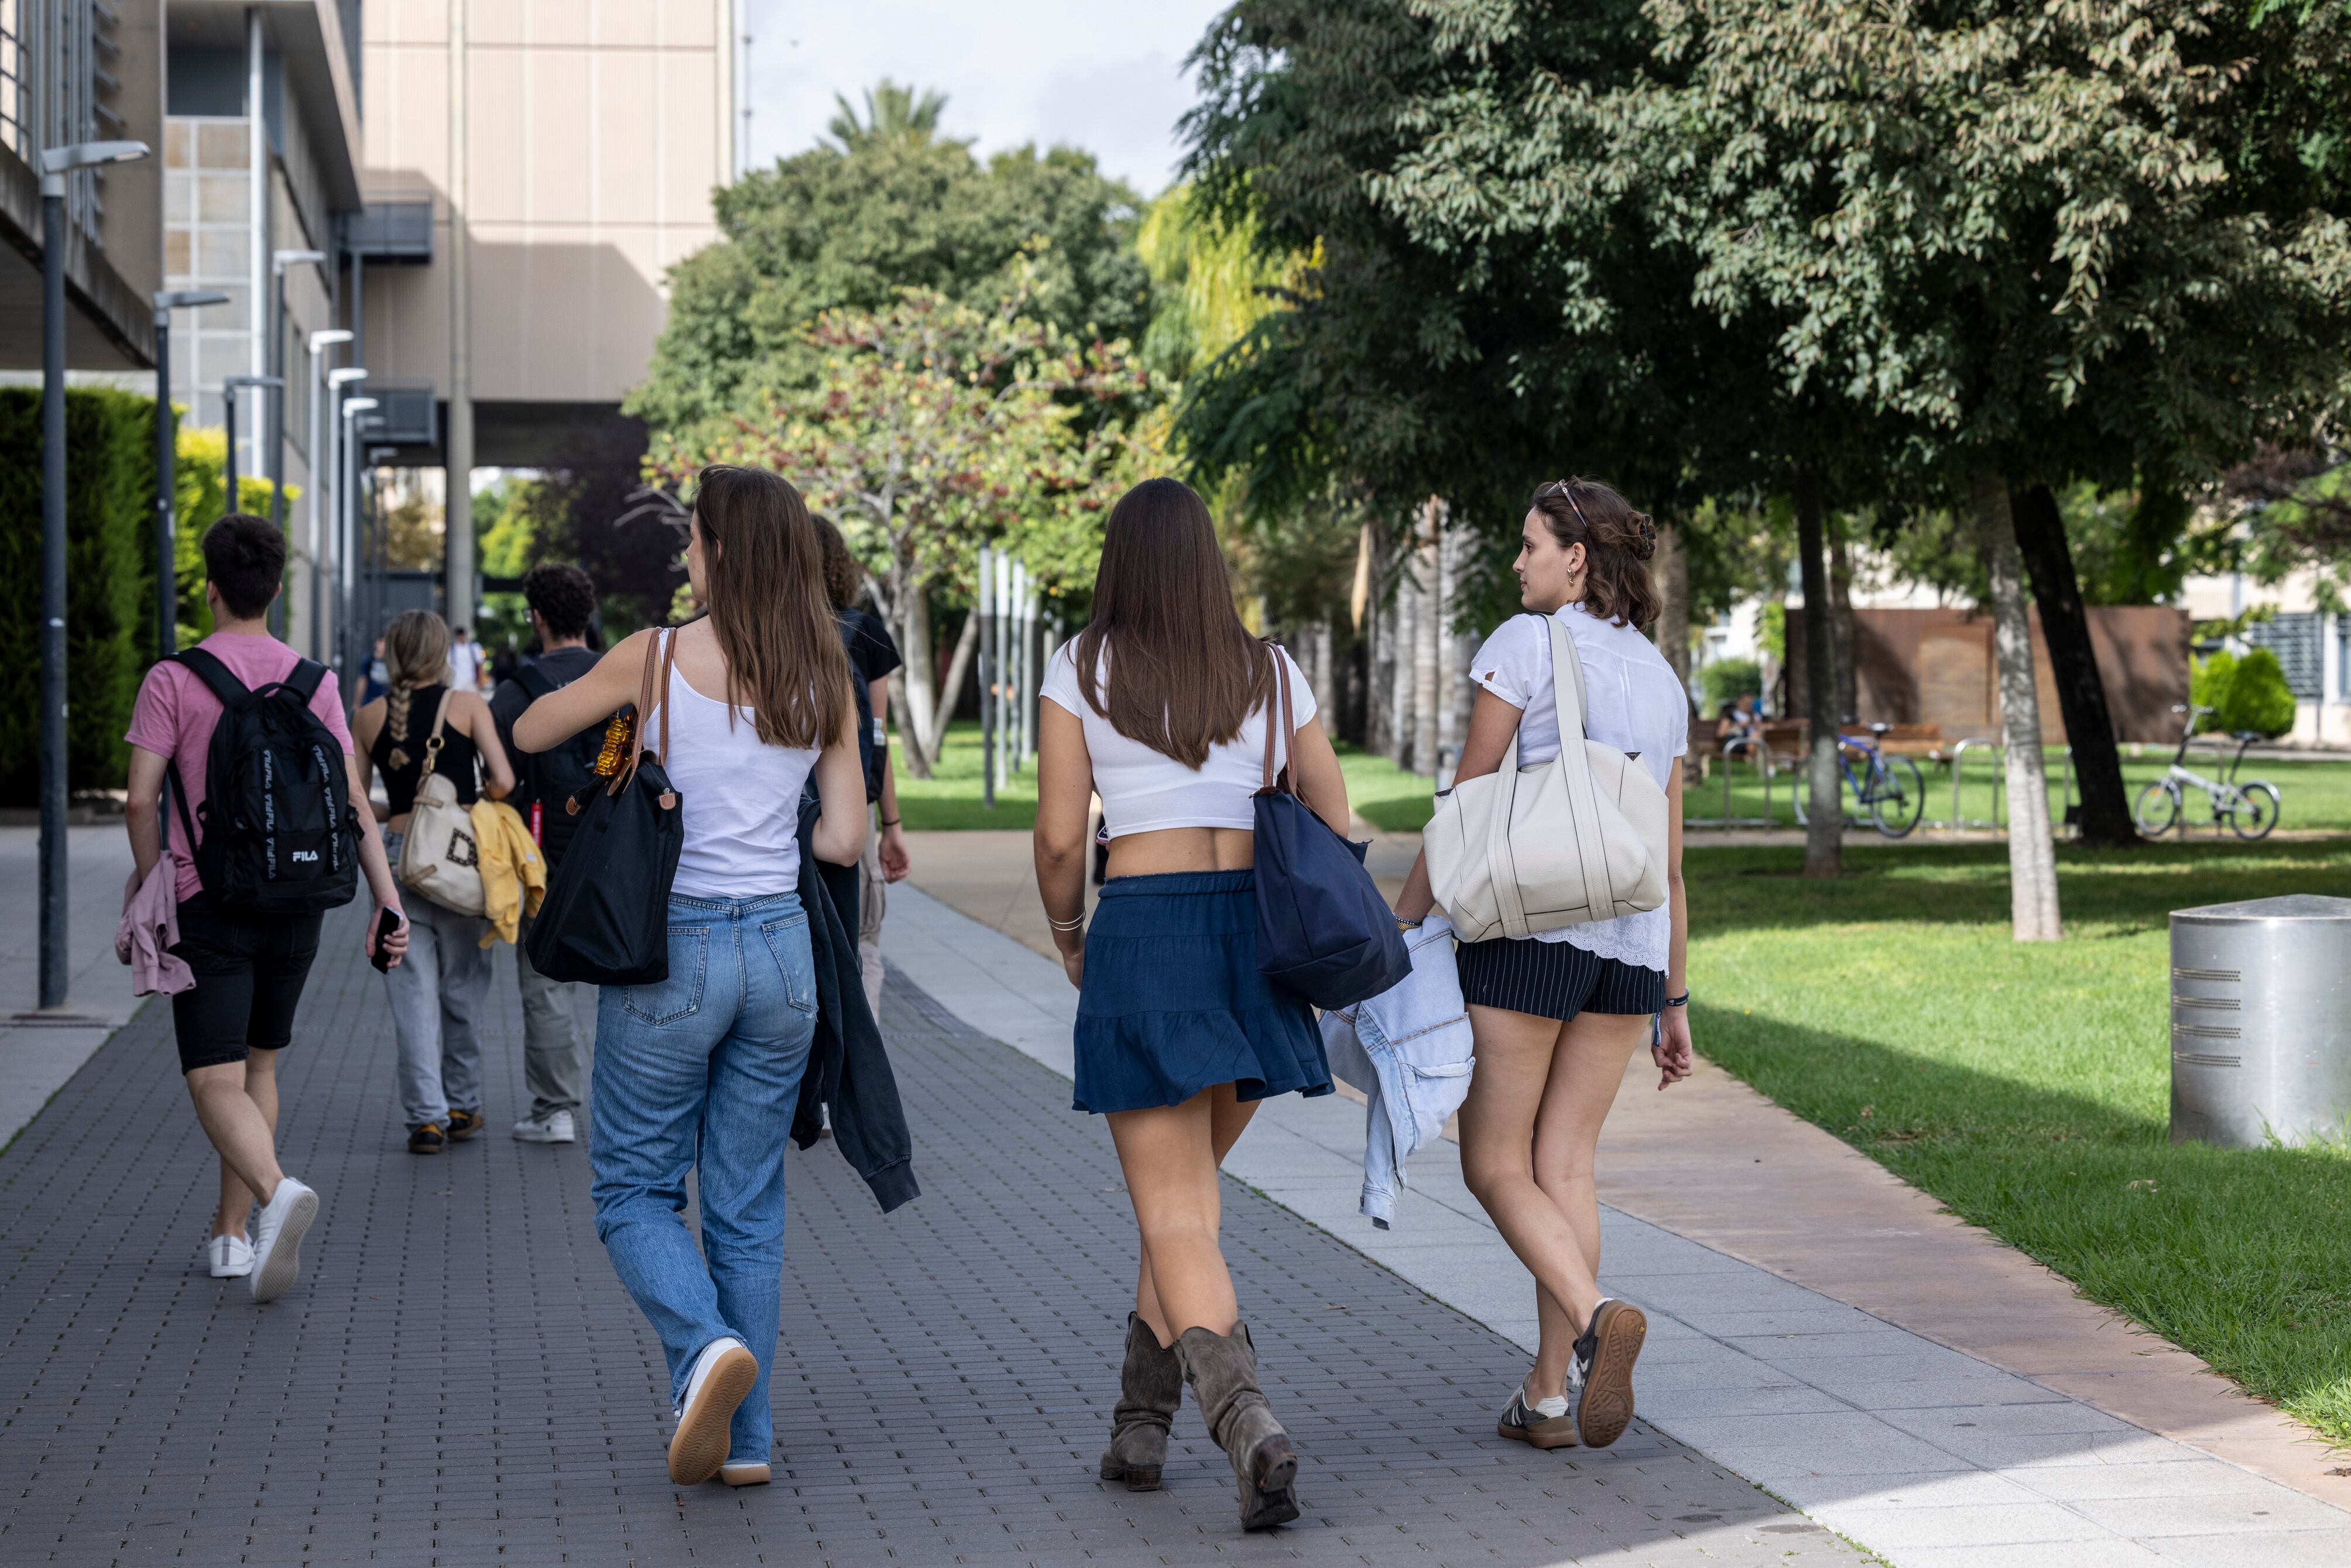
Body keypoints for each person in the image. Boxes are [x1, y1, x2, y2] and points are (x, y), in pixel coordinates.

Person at [512, 464, 867, 1489]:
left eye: (694, 538)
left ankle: (703, 1344)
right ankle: (745, 1440)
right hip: (782, 957)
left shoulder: (655, 656)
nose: (685, 554)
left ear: (721, 547)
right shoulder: (822, 671)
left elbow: (535, 732)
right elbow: (843, 837)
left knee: (632, 1189)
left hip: (674, 952)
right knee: (749, 1204)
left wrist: (628, 741)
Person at [1033, 477, 1346, 1532]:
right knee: (1187, 1200)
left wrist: (1069, 932)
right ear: (1210, 559)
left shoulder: (1081, 665)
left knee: (1172, 1206)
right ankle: (1137, 1424)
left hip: (1148, 932)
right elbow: (1334, 815)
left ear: (1119, 560)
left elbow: (1064, 838)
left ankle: (1249, 1420)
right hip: (1253, 943)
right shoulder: (1271, 668)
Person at [1393, 477, 1695, 1454]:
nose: (1516, 561)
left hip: (1531, 927)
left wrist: (1398, 929)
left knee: (1492, 1161)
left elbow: (1467, 805)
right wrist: (1676, 999)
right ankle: (1548, 1395)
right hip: (1633, 948)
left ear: (1576, 557)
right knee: (1567, 1161)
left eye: (1528, 545)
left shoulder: (1525, 643)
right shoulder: (1662, 680)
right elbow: (1673, 860)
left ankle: (1599, 1313)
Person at [122, 513, 410, 1302]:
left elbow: (141, 801)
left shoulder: (173, 678)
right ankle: (230, 1232)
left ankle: (277, 1192)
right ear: (278, 589)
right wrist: (388, 903)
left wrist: (152, 881)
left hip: (207, 901)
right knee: (259, 1065)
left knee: (210, 1076)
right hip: (300, 896)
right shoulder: (314, 680)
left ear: (209, 588)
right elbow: (352, 798)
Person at [354, 610, 517, 1154]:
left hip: (398, 864)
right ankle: (462, 1103)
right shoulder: (468, 705)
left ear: (393, 653)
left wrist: (399, 809)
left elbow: (356, 802)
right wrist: (464, 807)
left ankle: (425, 1118)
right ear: (440, 652)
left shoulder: (369, 715)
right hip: (458, 859)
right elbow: (504, 779)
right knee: (464, 987)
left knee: (411, 995)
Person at [488, 564, 602, 1143]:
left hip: (540, 860)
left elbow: (494, 777)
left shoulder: (514, 693)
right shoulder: (623, 677)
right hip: (618, 859)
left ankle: (556, 1109)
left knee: (545, 986)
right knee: (633, 981)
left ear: (536, 617)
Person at [809, 516, 911, 1015]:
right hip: (854, 803)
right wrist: (890, 825)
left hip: (791, 807)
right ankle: (857, 1066)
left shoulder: (761, 635)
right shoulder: (864, 633)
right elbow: (876, 737)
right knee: (862, 938)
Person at [447, 624, 481, 694]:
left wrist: (480, 680)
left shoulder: (474, 648)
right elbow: (447, 665)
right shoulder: (452, 649)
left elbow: (480, 664)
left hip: (471, 681)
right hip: (457, 682)